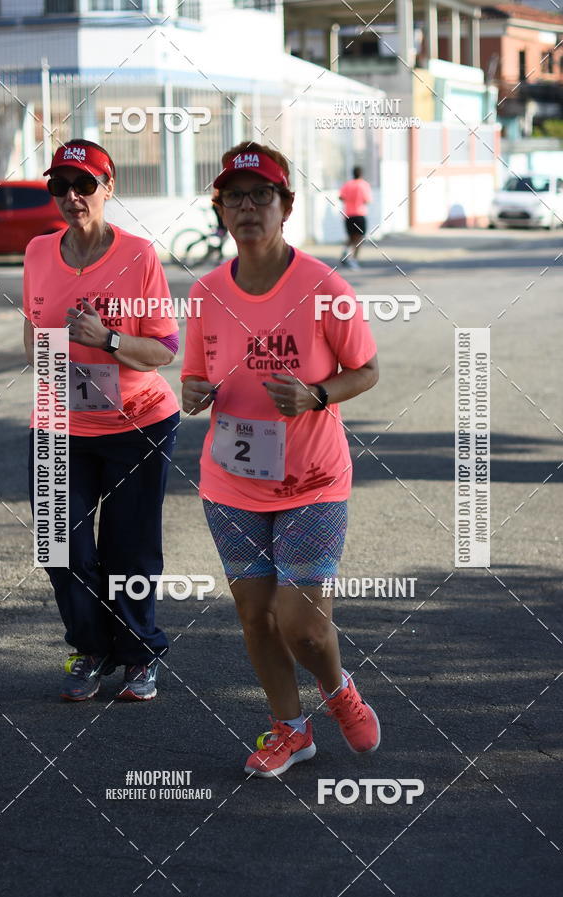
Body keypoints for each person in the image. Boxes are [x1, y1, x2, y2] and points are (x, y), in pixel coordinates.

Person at [181, 142, 380, 777]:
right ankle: (291, 730)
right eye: (233, 197)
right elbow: (192, 378)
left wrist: (318, 394)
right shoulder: (206, 293)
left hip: (312, 480)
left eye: (260, 195)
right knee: (254, 616)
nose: (247, 208)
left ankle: (339, 690)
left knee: (304, 625)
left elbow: (368, 370)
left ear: (286, 205)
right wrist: (192, 394)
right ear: (220, 210)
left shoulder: (325, 286)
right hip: (231, 483)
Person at [23, 139, 180, 702]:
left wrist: (108, 339)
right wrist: (55, 360)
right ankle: (91, 649)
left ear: (108, 189)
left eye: (84, 185)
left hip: (138, 423)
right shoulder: (39, 252)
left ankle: (139, 654)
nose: (71, 196)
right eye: (60, 186)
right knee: (60, 547)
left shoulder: (139, 256)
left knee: (130, 548)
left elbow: (165, 351)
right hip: (59, 424)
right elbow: (33, 340)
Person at [339, 165, 372, 269]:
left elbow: (341, 197)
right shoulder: (364, 185)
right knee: (359, 238)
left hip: (348, 214)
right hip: (359, 214)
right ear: (361, 174)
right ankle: (354, 259)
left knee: (350, 236)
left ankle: (345, 252)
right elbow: (367, 200)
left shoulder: (347, 185)